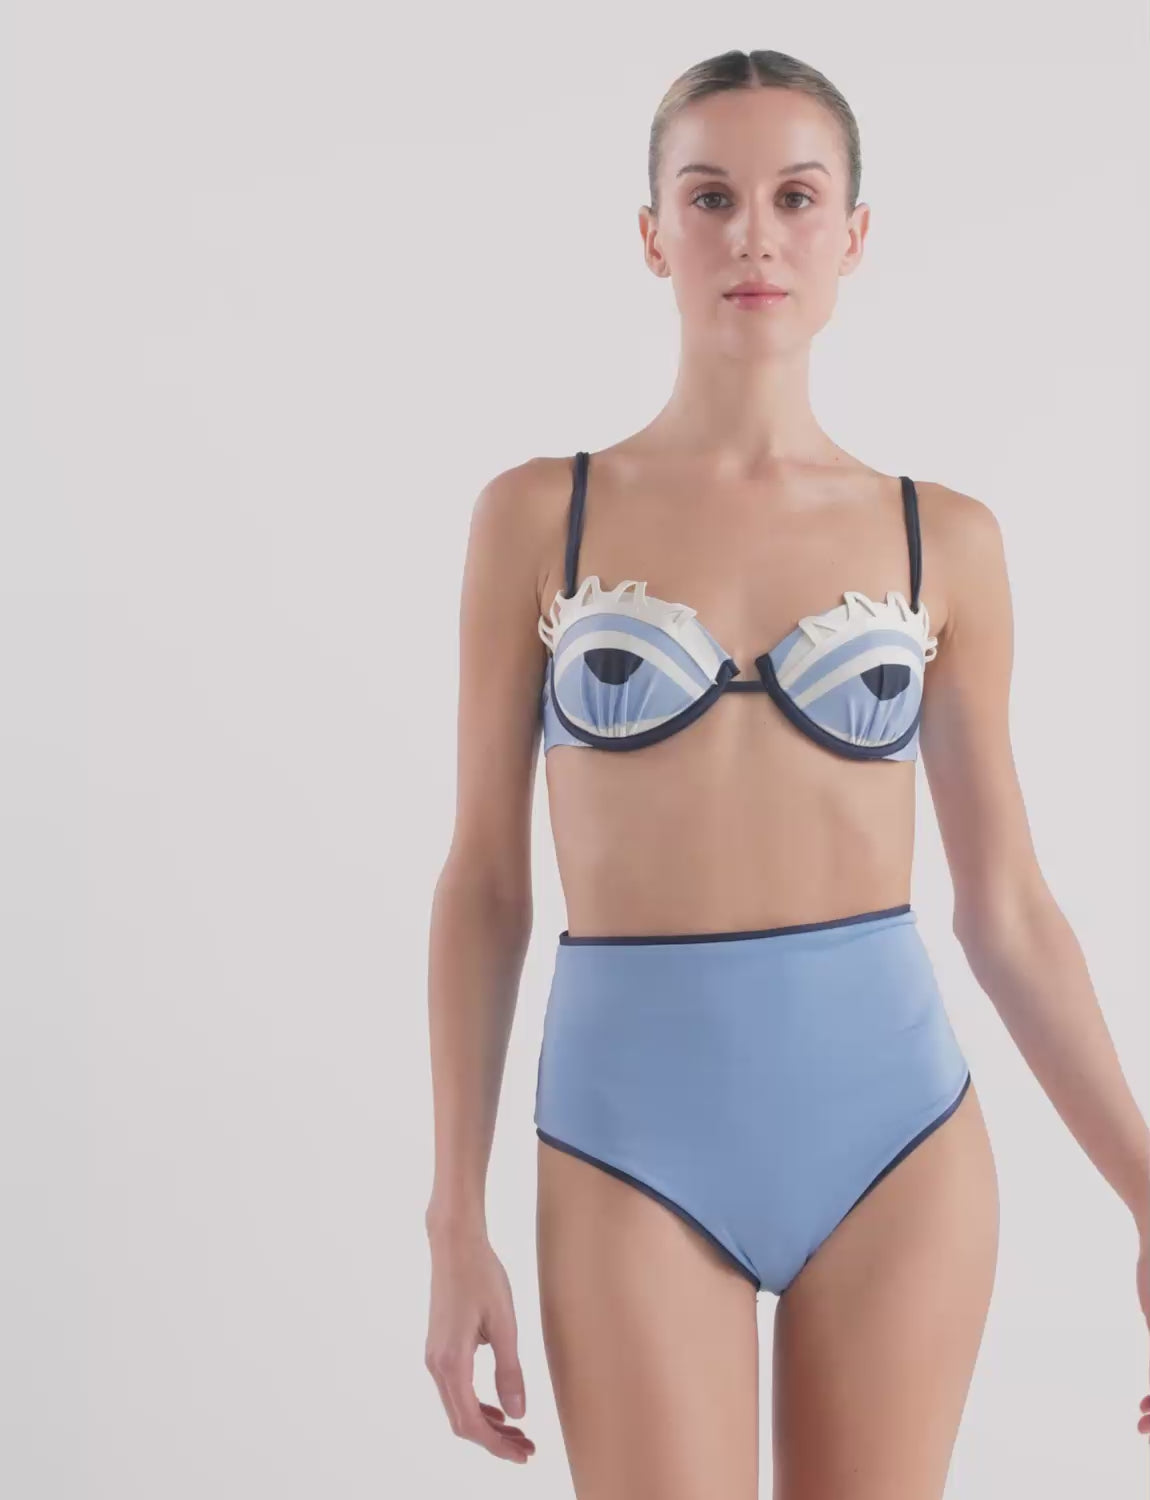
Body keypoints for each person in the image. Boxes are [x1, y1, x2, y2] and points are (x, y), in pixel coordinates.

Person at [422, 48, 1150, 1496]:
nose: (753, 234)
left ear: (852, 235)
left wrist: (1148, 1190)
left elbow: (1007, 909)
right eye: (710, 197)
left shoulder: (944, 537)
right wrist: (454, 1218)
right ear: (652, 235)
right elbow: (487, 886)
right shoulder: (537, 518)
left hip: (898, 1141)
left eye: (795, 198)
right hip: (626, 1140)